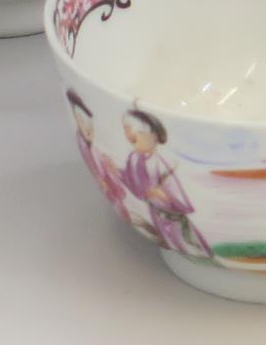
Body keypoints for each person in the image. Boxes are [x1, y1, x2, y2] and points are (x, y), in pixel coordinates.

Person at [119, 106, 213, 259]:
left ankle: (199, 255)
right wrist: (116, 172)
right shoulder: (134, 158)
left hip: (172, 217)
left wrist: (162, 195)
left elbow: (177, 196)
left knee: (186, 244)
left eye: (137, 133)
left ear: (154, 137)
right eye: (126, 130)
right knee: (171, 240)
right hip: (157, 214)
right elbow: (133, 184)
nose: (130, 135)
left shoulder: (158, 163)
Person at [66, 91, 140, 233]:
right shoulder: (91, 149)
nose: (87, 128)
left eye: (88, 123)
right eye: (80, 121)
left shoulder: (96, 152)